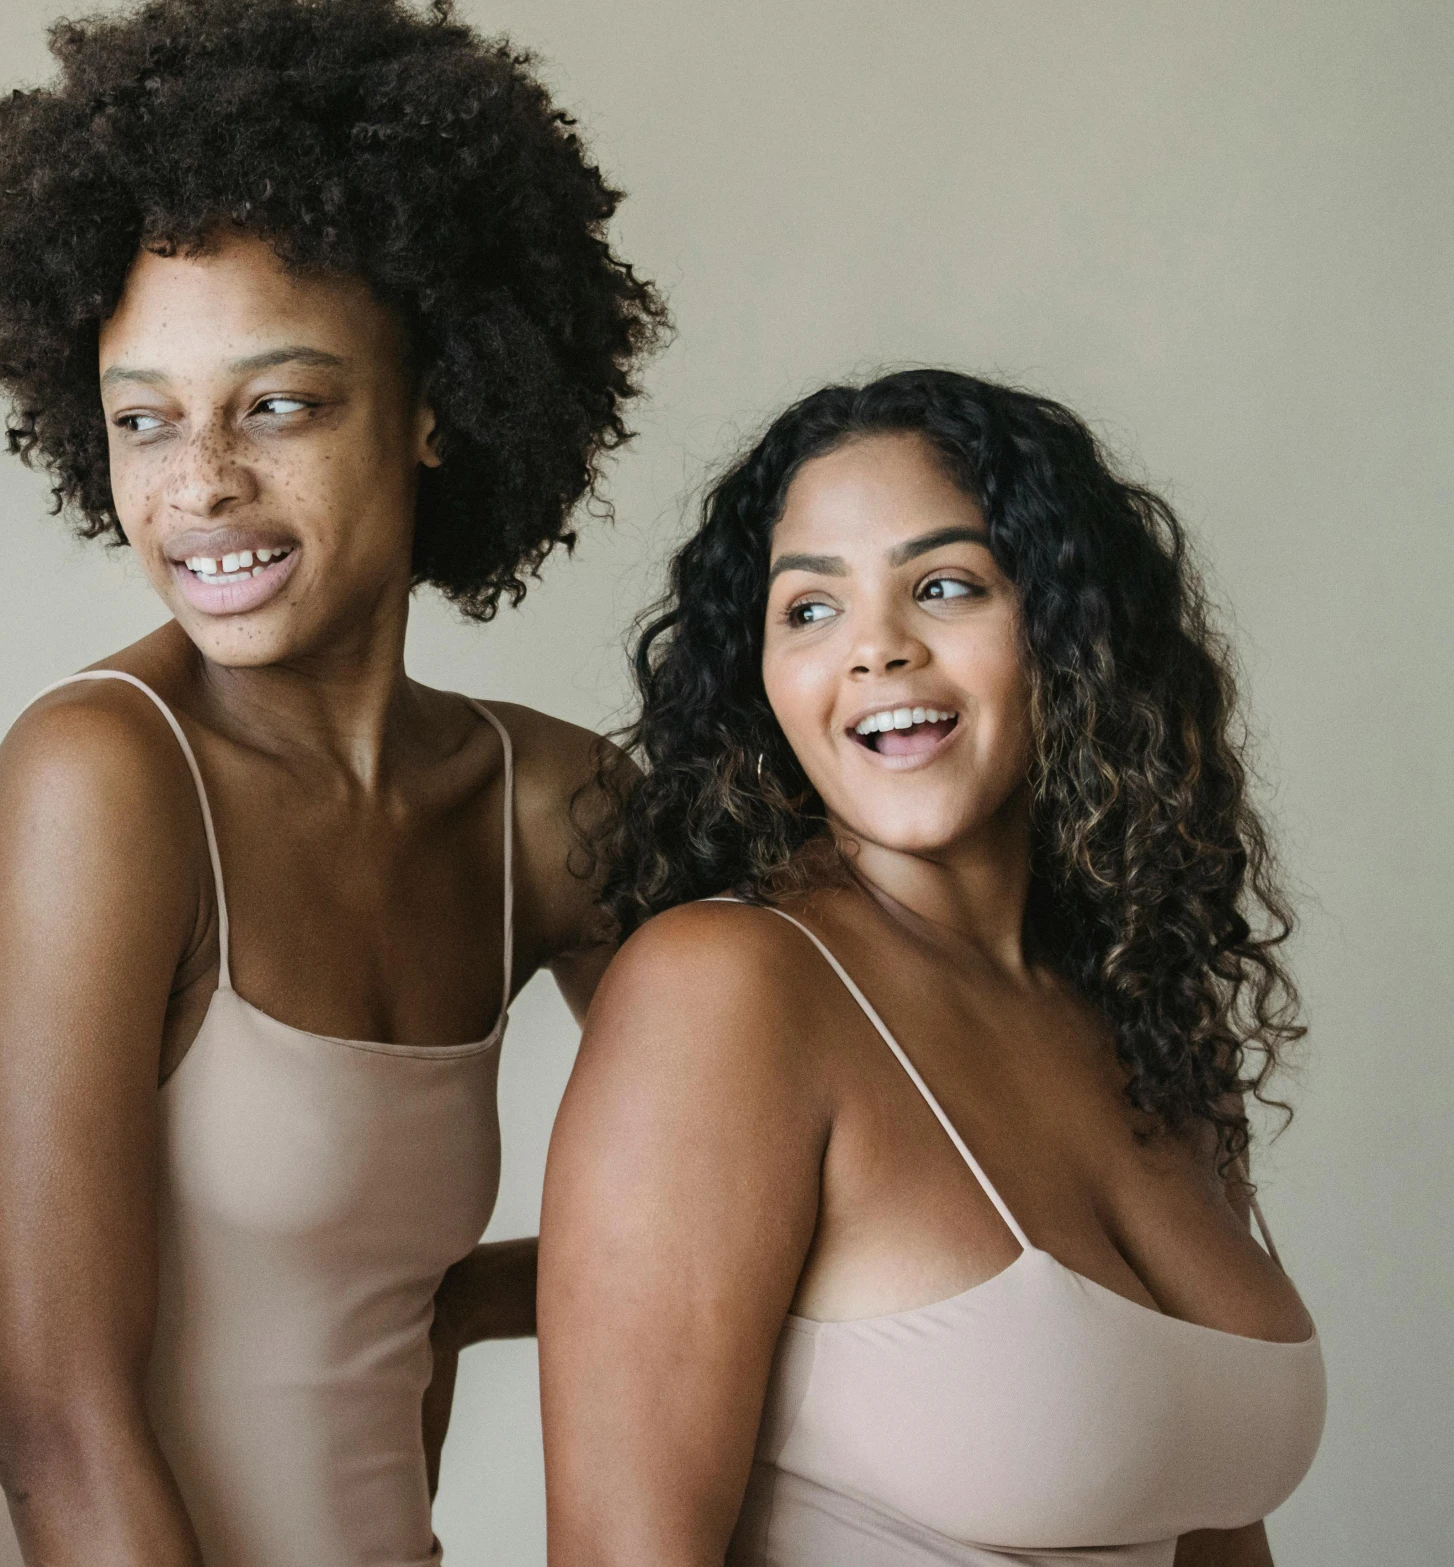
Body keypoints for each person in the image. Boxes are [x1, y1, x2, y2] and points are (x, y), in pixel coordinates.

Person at [0, 0, 666, 1561]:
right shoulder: (105, 779)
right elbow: (57, 1419)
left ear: (435, 408)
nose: (198, 483)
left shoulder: (541, 808)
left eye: (279, 402)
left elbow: (781, 1170)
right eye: (144, 419)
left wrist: (463, 1300)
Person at [539, 368, 1325, 1566]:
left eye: (943, 587)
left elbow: (1209, 1527)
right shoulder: (728, 987)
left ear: (1067, 633)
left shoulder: (1143, 1007)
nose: (875, 653)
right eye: (808, 610)